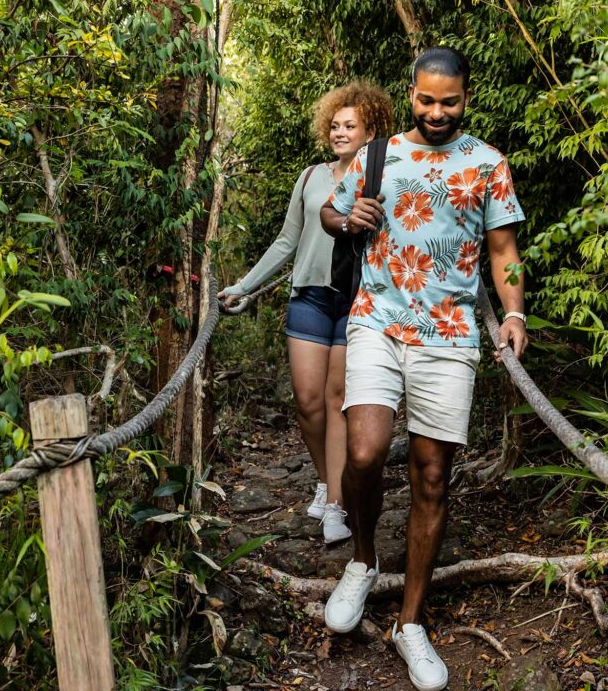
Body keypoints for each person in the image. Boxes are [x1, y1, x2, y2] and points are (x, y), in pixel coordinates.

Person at [319, 48, 528, 691]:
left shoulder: (488, 165)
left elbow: (503, 250)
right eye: (426, 100)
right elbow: (332, 211)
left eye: (450, 102)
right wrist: (345, 216)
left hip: (452, 335)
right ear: (410, 93)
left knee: (433, 476)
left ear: (466, 97)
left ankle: (410, 623)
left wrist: (514, 313)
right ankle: (361, 561)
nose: (437, 113)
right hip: (377, 321)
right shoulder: (378, 154)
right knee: (364, 452)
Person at [219, 82, 395, 544]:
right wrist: (244, 286)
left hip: (358, 299)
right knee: (308, 402)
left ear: (370, 129)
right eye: (335, 125)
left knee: (338, 399)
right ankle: (324, 479)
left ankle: (336, 504)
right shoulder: (310, 177)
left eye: (350, 126)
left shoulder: (386, 176)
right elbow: (286, 241)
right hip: (310, 297)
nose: (340, 133)